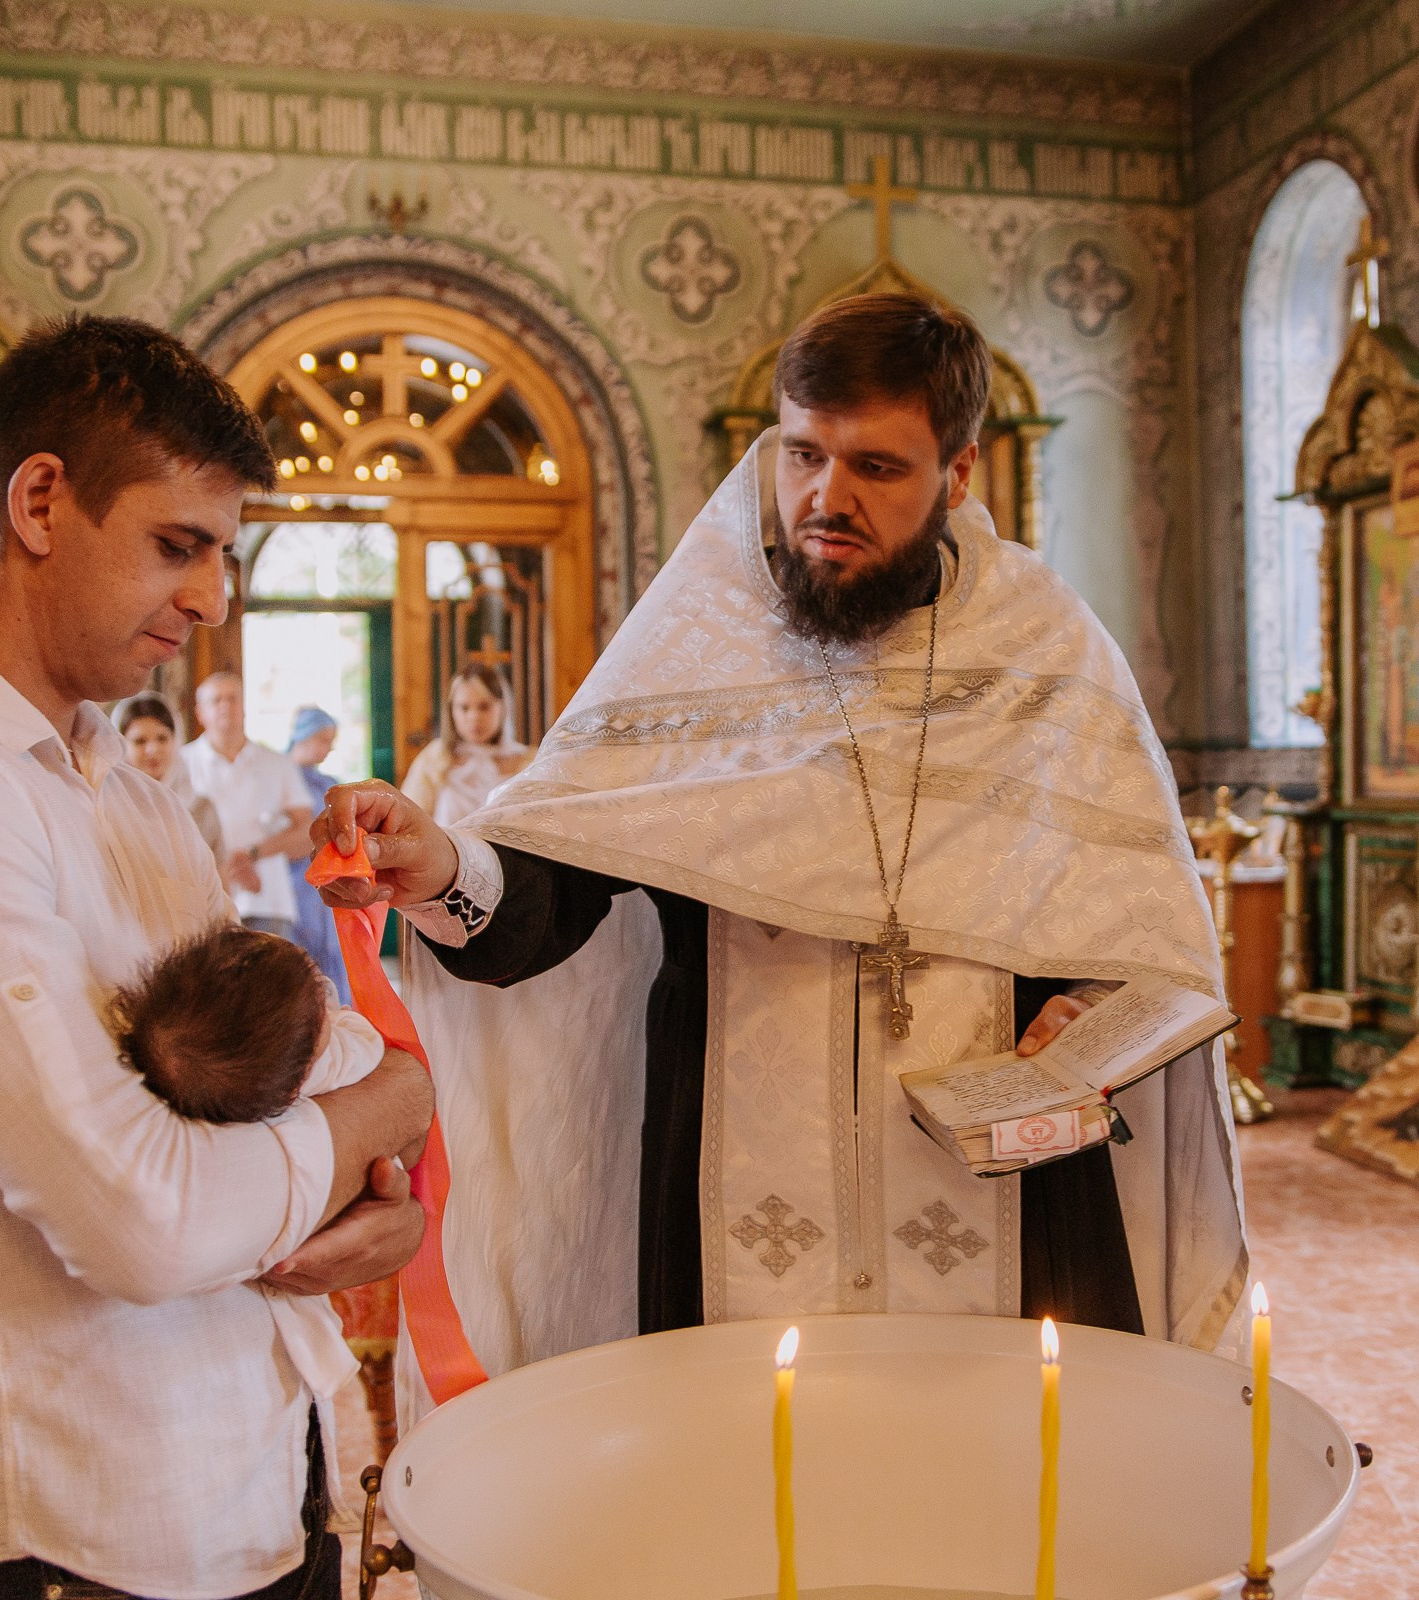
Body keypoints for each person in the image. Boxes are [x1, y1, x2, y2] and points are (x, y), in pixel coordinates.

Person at [317, 293, 1247, 1408]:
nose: (826, 497)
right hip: (731, 1219)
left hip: (1013, 1217)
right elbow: (556, 882)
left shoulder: (1049, 656)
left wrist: (1094, 1010)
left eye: (877, 467)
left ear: (959, 476)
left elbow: (1141, 933)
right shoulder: (695, 644)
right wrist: (444, 865)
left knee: (1013, 1514)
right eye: (802, 453)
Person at [0, 313, 437, 1600]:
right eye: (176, 546)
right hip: (82, 1537)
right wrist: (387, 1106)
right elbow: (143, 1218)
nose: (211, 598)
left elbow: (304, 1059)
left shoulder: (124, 795)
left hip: (259, 1478)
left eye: (224, 556)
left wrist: (377, 1165)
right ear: (38, 502)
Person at [112, 922, 417, 1440]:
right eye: (318, 1000)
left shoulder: (214, 1078)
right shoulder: (335, 1062)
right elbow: (379, 1058)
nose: (322, 986)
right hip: (307, 1235)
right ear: (301, 1076)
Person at [185, 672, 313, 937]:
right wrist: (225, 866)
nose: (225, 706)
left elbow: (307, 834)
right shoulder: (181, 763)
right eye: (215, 700)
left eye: (232, 698)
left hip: (268, 902)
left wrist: (253, 854)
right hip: (201, 901)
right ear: (200, 713)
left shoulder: (276, 763)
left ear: (244, 707)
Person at [399, 663, 532, 827]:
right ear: (451, 710)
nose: (474, 717)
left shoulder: (529, 762)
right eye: (464, 707)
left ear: (503, 707)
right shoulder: (435, 757)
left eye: (484, 707)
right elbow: (409, 819)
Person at [283, 705, 350, 994]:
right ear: (305, 737)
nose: (329, 748)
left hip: (327, 877)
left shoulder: (328, 783)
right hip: (293, 879)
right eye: (324, 740)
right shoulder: (280, 776)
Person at [117, 691, 222, 862]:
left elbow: (221, 881)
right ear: (121, 745)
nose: (152, 750)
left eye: (162, 738)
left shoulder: (201, 809)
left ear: (176, 739)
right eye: (140, 741)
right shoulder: (110, 808)